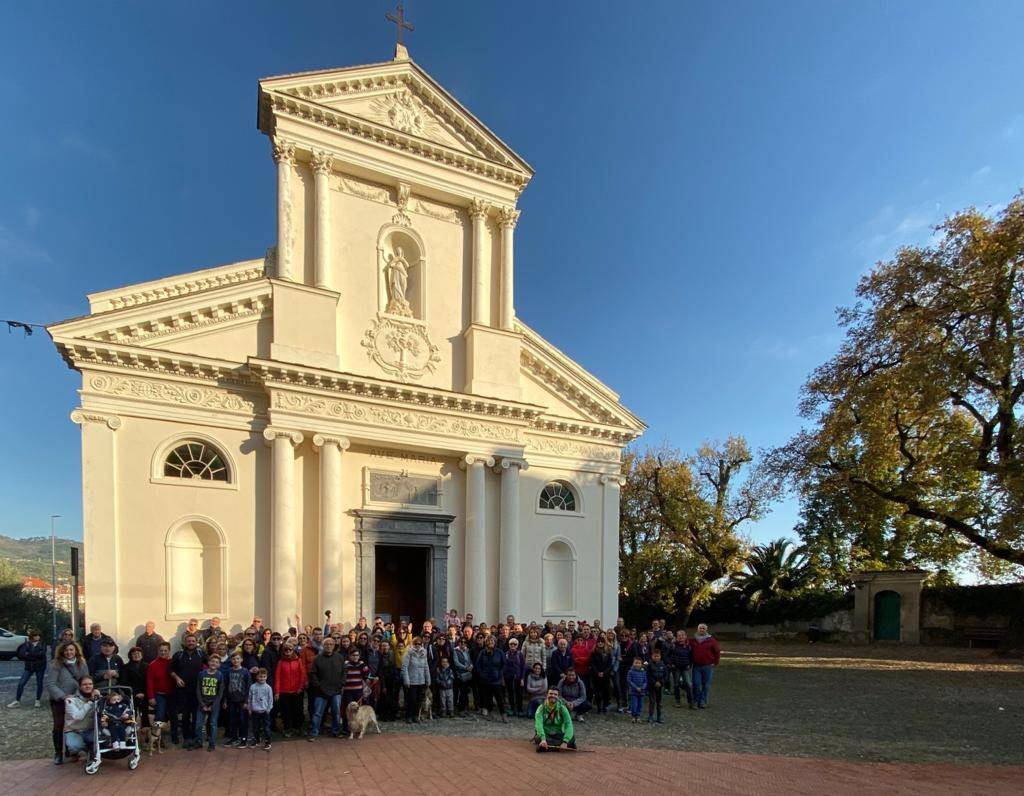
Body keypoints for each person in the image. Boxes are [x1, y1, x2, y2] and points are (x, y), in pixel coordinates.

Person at [44, 642, 89, 764]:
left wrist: (82, 694)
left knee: (74, 725)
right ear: (62, 652)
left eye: (71, 650)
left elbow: (86, 680)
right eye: (66, 650)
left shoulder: (82, 662)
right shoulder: (56, 664)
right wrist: (63, 697)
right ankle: (58, 753)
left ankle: (72, 751)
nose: (69, 652)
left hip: (76, 699)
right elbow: (50, 683)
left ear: (76, 651)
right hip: (59, 700)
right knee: (59, 726)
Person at [171, 633, 207, 749]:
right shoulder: (179, 655)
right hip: (183, 690)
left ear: (196, 642)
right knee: (185, 715)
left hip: (197, 690)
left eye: (193, 641)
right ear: (185, 642)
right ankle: (186, 738)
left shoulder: (201, 654)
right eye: (189, 641)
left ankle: (196, 738)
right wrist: (176, 678)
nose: (191, 643)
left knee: (197, 715)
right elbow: (170, 670)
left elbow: (211, 666)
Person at [308, 637, 345, 741]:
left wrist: (342, 683)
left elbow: (344, 672)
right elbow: (312, 674)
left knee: (336, 712)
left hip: (336, 690)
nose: (329, 646)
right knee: (317, 713)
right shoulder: (317, 659)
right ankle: (314, 733)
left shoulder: (339, 657)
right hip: (321, 691)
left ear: (334, 646)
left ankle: (335, 731)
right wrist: (318, 686)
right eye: (326, 644)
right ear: (323, 646)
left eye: (331, 644)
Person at [146, 642, 178, 743]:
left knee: (174, 715)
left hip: (172, 694)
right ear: (158, 651)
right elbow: (149, 681)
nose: (163, 652)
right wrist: (151, 697)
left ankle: (174, 736)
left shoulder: (173, 663)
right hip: (159, 694)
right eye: (161, 650)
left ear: (169, 651)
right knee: (159, 716)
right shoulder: (153, 664)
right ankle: (157, 738)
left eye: (165, 650)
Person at [274, 642, 307, 738]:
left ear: (293, 650)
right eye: (285, 650)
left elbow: (302, 675)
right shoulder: (280, 662)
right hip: (284, 692)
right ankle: (288, 728)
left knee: (298, 711)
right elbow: (278, 677)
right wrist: (277, 691)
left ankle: (299, 727)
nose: (288, 651)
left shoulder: (298, 661)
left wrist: (301, 687)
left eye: (290, 649)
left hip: (297, 691)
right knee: (286, 712)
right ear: (283, 651)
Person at [63, 675, 100, 761]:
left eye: (90, 684)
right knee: (75, 745)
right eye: (84, 684)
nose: (88, 686)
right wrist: (90, 701)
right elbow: (78, 716)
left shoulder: (97, 698)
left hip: (90, 730)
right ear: (80, 686)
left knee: (104, 739)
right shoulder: (70, 700)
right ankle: (77, 751)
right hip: (74, 730)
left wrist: (99, 699)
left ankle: (91, 749)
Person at [7, 629, 46, 708]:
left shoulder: (42, 644)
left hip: (40, 667)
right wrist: (33, 655)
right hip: (29, 667)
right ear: (32, 636)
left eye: (38, 635)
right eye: (35, 635)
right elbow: (22, 655)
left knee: (39, 683)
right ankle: (17, 701)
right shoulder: (27, 644)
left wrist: (29, 654)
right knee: (21, 683)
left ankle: (37, 700)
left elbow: (41, 655)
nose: (37, 637)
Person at [194, 654, 224, 751]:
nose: (213, 663)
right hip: (202, 703)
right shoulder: (202, 674)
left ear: (219, 665)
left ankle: (212, 743)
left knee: (212, 724)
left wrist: (213, 705)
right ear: (208, 662)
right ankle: (199, 742)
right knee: (199, 724)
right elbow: (198, 689)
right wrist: (202, 704)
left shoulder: (219, 675)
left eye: (216, 662)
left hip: (214, 704)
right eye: (212, 661)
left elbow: (220, 692)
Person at [533, 688, 576, 752]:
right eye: (550, 693)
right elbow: (538, 724)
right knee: (537, 738)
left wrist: (565, 741)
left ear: (558, 697)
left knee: (572, 738)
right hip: (545, 734)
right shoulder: (541, 708)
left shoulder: (562, 708)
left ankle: (547, 747)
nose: (553, 695)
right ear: (547, 695)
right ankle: (559, 746)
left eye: (555, 694)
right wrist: (543, 739)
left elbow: (568, 724)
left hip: (558, 734)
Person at [689, 623, 721, 709]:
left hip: (708, 666)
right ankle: (695, 701)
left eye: (703, 628)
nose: (702, 630)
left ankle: (703, 701)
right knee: (696, 684)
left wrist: (715, 662)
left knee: (706, 685)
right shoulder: (692, 640)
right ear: (697, 629)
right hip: (696, 666)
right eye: (700, 628)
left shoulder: (711, 640)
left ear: (706, 630)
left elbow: (717, 651)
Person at [475, 636, 506, 722]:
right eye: (489, 641)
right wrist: (481, 674)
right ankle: (489, 713)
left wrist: (500, 673)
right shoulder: (483, 652)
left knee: (499, 698)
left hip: (496, 679)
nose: (490, 642)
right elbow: (478, 665)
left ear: (495, 642)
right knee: (487, 698)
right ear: (486, 642)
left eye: (492, 641)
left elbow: (504, 664)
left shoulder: (499, 652)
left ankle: (503, 715)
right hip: (485, 680)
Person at [224, 653, 252, 747]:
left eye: (237, 659)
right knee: (232, 720)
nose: (235, 661)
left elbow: (248, 687)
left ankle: (244, 738)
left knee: (243, 719)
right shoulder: (228, 671)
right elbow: (225, 686)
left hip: (242, 700)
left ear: (241, 660)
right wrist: (225, 700)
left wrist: (246, 701)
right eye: (233, 659)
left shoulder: (245, 672)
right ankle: (234, 737)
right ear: (231, 661)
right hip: (231, 700)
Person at [401, 636, 430, 724]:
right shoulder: (408, 653)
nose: (417, 645)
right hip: (411, 680)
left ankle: (416, 715)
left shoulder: (423, 653)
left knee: (419, 700)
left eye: (419, 644)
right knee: (411, 699)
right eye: (415, 644)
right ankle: (408, 716)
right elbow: (404, 667)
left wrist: (428, 679)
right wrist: (406, 680)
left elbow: (426, 667)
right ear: (412, 644)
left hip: (421, 680)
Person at [341, 649, 369, 736]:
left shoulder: (361, 665)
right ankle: (346, 727)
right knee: (348, 709)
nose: (355, 657)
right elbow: (342, 675)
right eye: (353, 655)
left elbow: (367, 674)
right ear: (349, 656)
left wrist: (364, 666)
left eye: (357, 655)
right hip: (348, 691)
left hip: (358, 691)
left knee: (358, 709)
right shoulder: (346, 665)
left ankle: (358, 727)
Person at [122, 646, 150, 729]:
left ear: (142, 655)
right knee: (132, 715)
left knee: (145, 714)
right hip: (131, 695)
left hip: (145, 694)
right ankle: (132, 735)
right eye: (134, 654)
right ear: (130, 655)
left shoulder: (147, 666)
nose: (136, 655)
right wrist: (135, 693)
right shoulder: (125, 667)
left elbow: (149, 681)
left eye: (138, 653)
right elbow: (124, 682)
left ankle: (146, 734)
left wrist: (144, 693)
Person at [247, 668, 274, 750]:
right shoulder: (253, 687)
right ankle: (257, 740)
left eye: (264, 676)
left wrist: (269, 708)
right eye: (260, 676)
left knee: (266, 728)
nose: (262, 678)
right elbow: (250, 698)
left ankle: (268, 742)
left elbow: (270, 699)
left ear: (266, 677)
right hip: (255, 711)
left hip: (265, 711)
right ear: (256, 677)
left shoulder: (268, 688)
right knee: (255, 727)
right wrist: (250, 708)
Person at [668, 629, 694, 708]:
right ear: (676, 637)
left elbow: (691, 656)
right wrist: (671, 663)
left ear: (685, 636)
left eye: (682, 635)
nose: (681, 637)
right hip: (676, 668)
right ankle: (677, 701)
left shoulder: (688, 646)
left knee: (689, 684)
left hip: (685, 667)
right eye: (679, 635)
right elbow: (668, 655)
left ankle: (690, 702)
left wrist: (690, 664)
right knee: (676, 684)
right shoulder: (673, 645)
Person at [503, 638, 526, 717]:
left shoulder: (520, 654)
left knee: (519, 693)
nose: (513, 645)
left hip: (518, 677)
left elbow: (523, 667)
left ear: (517, 645)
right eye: (511, 644)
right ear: (509, 645)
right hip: (509, 677)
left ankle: (519, 709)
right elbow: (504, 666)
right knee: (510, 693)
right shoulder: (506, 654)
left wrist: (522, 678)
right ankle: (512, 708)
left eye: (515, 644)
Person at [589, 638, 612, 714]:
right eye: (599, 642)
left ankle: (605, 707)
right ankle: (599, 708)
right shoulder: (593, 652)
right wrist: (598, 672)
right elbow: (592, 664)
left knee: (606, 692)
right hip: (596, 676)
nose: (600, 643)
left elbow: (609, 664)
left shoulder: (608, 652)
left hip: (606, 676)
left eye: (602, 642)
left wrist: (604, 672)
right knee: (597, 693)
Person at [646, 648, 669, 724]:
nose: (656, 657)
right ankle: (650, 716)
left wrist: (661, 682)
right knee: (652, 701)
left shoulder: (663, 665)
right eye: (655, 656)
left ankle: (659, 716)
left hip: (660, 686)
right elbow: (648, 675)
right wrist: (654, 682)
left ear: (660, 656)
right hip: (652, 686)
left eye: (657, 656)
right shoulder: (650, 665)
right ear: (652, 656)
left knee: (659, 702)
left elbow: (666, 675)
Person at [452, 637, 473, 715]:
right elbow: (456, 663)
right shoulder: (455, 651)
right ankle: (460, 709)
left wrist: (471, 665)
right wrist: (466, 668)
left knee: (465, 692)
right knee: (460, 692)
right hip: (460, 674)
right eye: (461, 642)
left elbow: (470, 660)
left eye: (464, 642)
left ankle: (464, 708)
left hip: (468, 674)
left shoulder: (467, 650)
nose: (463, 644)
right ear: (459, 642)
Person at [627, 656, 647, 724]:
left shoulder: (643, 672)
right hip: (633, 691)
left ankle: (638, 716)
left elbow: (645, 681)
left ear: (641, 664)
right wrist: (636, 687)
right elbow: (629, 681)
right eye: (636, 663)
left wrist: (642, 687)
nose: (637, 664)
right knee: (634, 705)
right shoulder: (630, 671)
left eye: (639, 663)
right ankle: (633, 716)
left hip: (641, 691)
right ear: (633, 663)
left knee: (640, 705)